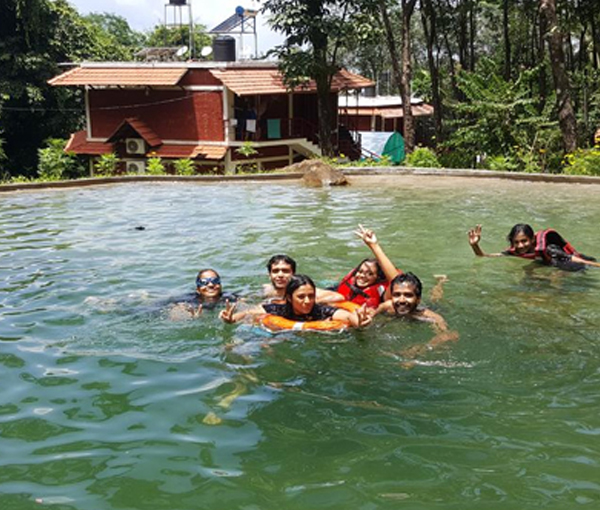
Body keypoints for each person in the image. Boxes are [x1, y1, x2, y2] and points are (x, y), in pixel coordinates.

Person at [220, 274, 371, 328]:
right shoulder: (278, 308)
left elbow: (346, 316)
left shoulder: (319, 310)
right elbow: (249, 312)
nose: (307, 301)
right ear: (289, 298)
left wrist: (358, 320)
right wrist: (231, 319)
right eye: (301, 297)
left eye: (311, 296)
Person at [375, 272, 458, 358]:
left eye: (408, 295)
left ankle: (440, 282)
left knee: (435, 299)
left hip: (431, 307)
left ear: (418, 299)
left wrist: (422, 348)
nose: (401, 300)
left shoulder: (430, 316)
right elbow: (372, 316)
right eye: (397, 295)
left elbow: (450, 335)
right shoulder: (387, 307)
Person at [468, 224, 600, 271]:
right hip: (546, 264)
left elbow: (573, 259)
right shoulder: (516, 251)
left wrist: (596, 265)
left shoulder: (548, 249)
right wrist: (475, 245)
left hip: (573, 266)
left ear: (532, 240)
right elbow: (484, 256)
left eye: (524, 241)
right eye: (516, 242)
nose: (520, 245)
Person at [336, 225, 401, 309]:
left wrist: (373, 245)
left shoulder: (382, 293)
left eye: (370, 274)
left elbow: (395, 280)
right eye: (360, 271)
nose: (362, 276)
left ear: (377, 278)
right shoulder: (350, 282)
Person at [263, 254, 344, 304]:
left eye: (285, 271)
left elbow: (338, 297)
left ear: (293, 274)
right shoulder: (267, 290)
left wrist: (300, 302)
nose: (280, 275)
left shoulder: (303, 290)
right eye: (275, 271)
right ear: (269, 275)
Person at [168, 269, 237, 320]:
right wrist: (190, 317)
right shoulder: (189, 301)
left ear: (220, 286)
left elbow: (244, 310)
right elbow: (175, 316)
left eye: (215, 281)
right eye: (204, 282)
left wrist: (233, 318)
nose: (210, 285)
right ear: (198, 289)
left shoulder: (230, 297)